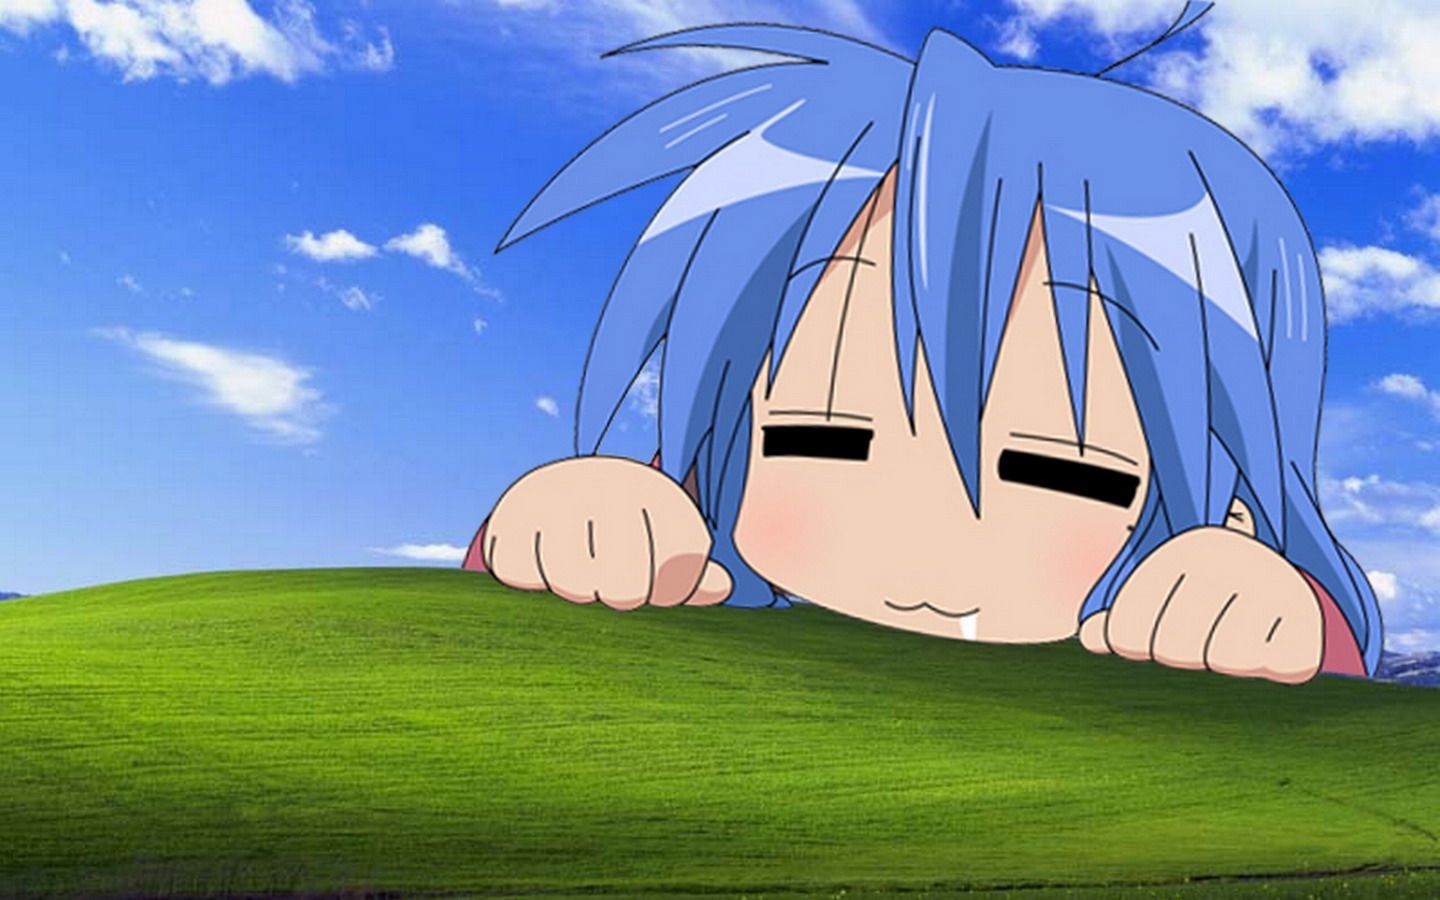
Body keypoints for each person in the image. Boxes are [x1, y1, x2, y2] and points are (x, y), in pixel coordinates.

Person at [463, 19, 1382, 683]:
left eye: (1063, 471)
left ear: (1226, 496)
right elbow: (578, 568)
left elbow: (1337, 674)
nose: (928, 559)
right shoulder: (695, 548)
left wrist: (1279, 613)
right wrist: (578, 524)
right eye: (820, 437)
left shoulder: (1206, 566)